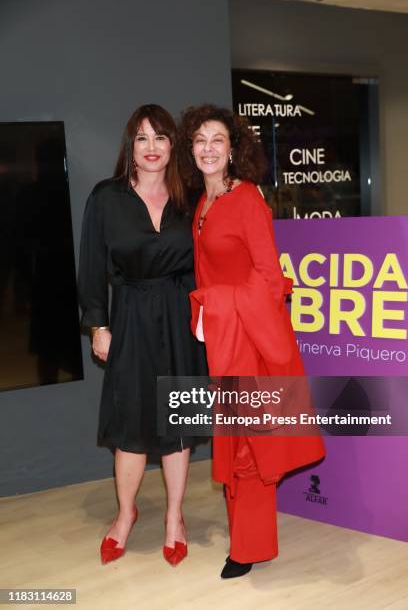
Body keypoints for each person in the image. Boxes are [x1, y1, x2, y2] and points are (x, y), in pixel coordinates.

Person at [179, 104, 325, 579]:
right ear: (191, 148)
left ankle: (249, 547)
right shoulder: (205, 202)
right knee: (236, 439)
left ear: (233, 149)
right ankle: (245, 537)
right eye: (200, 139)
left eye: (217, 139)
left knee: (251, 446)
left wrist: (218, 304)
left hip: (252, 340)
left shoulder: (246, 200)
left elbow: (269, 278)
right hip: (225, 339)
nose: (207, 148)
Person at [78, 104, 207, 566]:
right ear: (129, 147)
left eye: (160, 138)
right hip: (130, 317)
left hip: (180, 320)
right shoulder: (106, 197)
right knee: (130, 427)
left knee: (178, 424)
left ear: (174, 146)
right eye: (142, 138)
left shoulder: (192, 198)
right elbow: (91, 267)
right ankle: (125, 514)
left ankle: (175, 517)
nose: (152, 148)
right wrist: (99, 325)